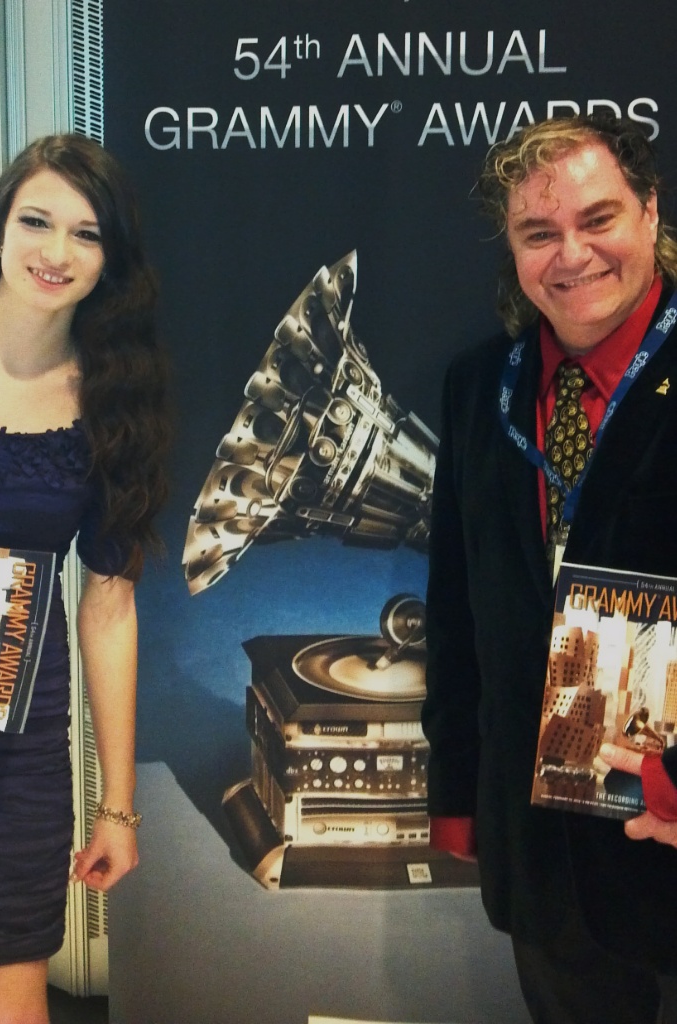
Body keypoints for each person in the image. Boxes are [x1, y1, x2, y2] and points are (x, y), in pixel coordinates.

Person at [421, 114, 677, 1024]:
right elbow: (454, 607)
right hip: (545, 855)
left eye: (597, 219)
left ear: (649, 213)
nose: (570, 255)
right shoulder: (476, 385)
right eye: (539, 233)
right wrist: (456, 792)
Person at [0, 134, 169, 1024]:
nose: (55, 252)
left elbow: (108, 605)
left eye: (86, 233)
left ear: (113, 259)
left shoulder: (116, 398)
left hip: (12, 765)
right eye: (37, 220)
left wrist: (120, 809)